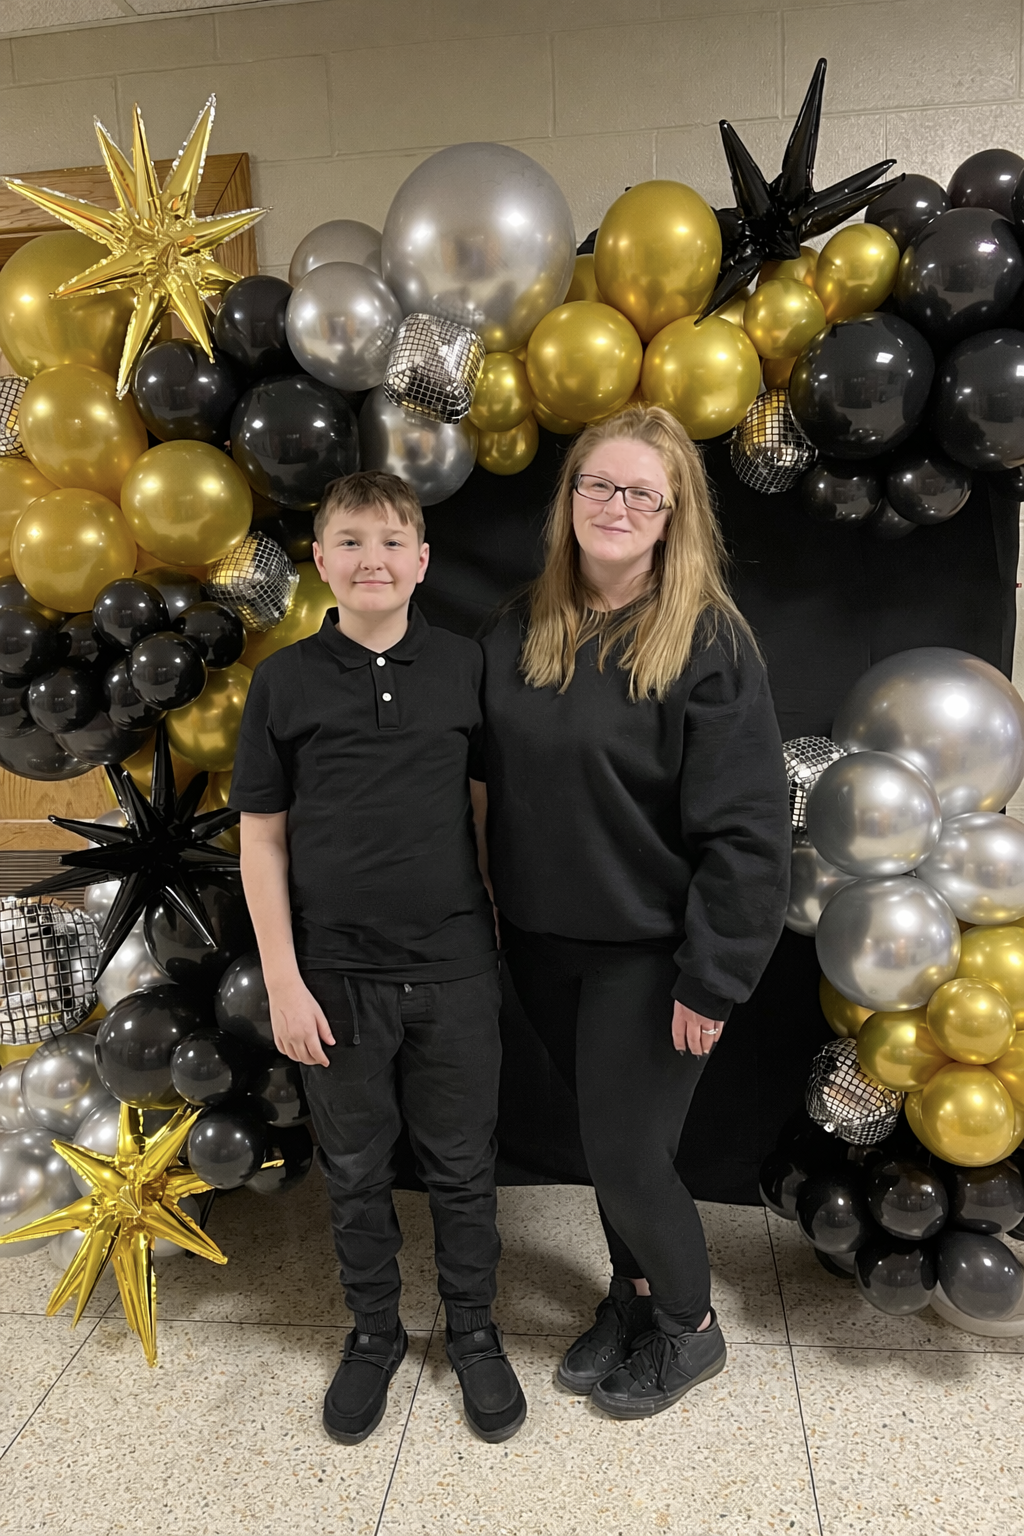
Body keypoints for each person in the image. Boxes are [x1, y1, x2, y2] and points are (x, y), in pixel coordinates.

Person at [476, 404, 791, 1420]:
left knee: (622, 1153)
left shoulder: (708, 642)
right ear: (569, 501)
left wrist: (714, 974)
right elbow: (478, 775)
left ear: (671, 516)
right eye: (596, 486)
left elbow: (748, 830)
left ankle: (690, 1327)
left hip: (653, 956)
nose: (614, 506)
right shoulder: (518, 626)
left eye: (638, 493)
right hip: (540, 942)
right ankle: (635, 1296)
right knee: (606, 1143)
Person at [231, 469, 526, 1447]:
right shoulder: (282, 684)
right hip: (334, 980)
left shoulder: (465, 669)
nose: (372, 559)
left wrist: (491, 928)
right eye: (350, 542)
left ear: (423, 561)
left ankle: (475, 1332)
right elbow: (262, 837)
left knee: (461, 1168)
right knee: (355, 1171)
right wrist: (281, 977)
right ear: (319, 561)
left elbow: (486, 812)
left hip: (452, 972)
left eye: (392, 541)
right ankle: (372, 1335)